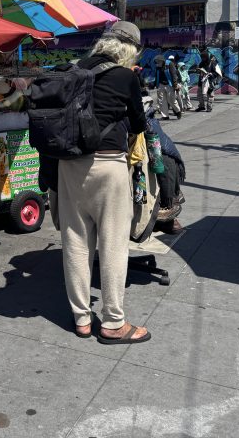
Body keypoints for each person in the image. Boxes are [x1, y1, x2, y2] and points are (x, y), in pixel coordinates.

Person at [55, 21, 150, 344]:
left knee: (76, 242)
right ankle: (112, 322)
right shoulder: (126, 77)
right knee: (112, 244)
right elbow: (140, 122)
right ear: (130, 50)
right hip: (109, 166)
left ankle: (81, 318)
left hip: (68, 166)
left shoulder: (74, 70)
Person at [153, 53, 181, 120]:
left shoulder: (169, 64)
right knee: (161, 100)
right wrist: (154, 84)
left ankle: (178, 111)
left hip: (169, 84)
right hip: (161, 84)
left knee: (171, 100)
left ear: (162, 61)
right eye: (156, 62)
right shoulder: (157, 66)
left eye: (158, 61)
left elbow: (174, 75)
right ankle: (165, 116)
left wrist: (175, 85)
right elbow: (156, 76)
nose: (157, 63)